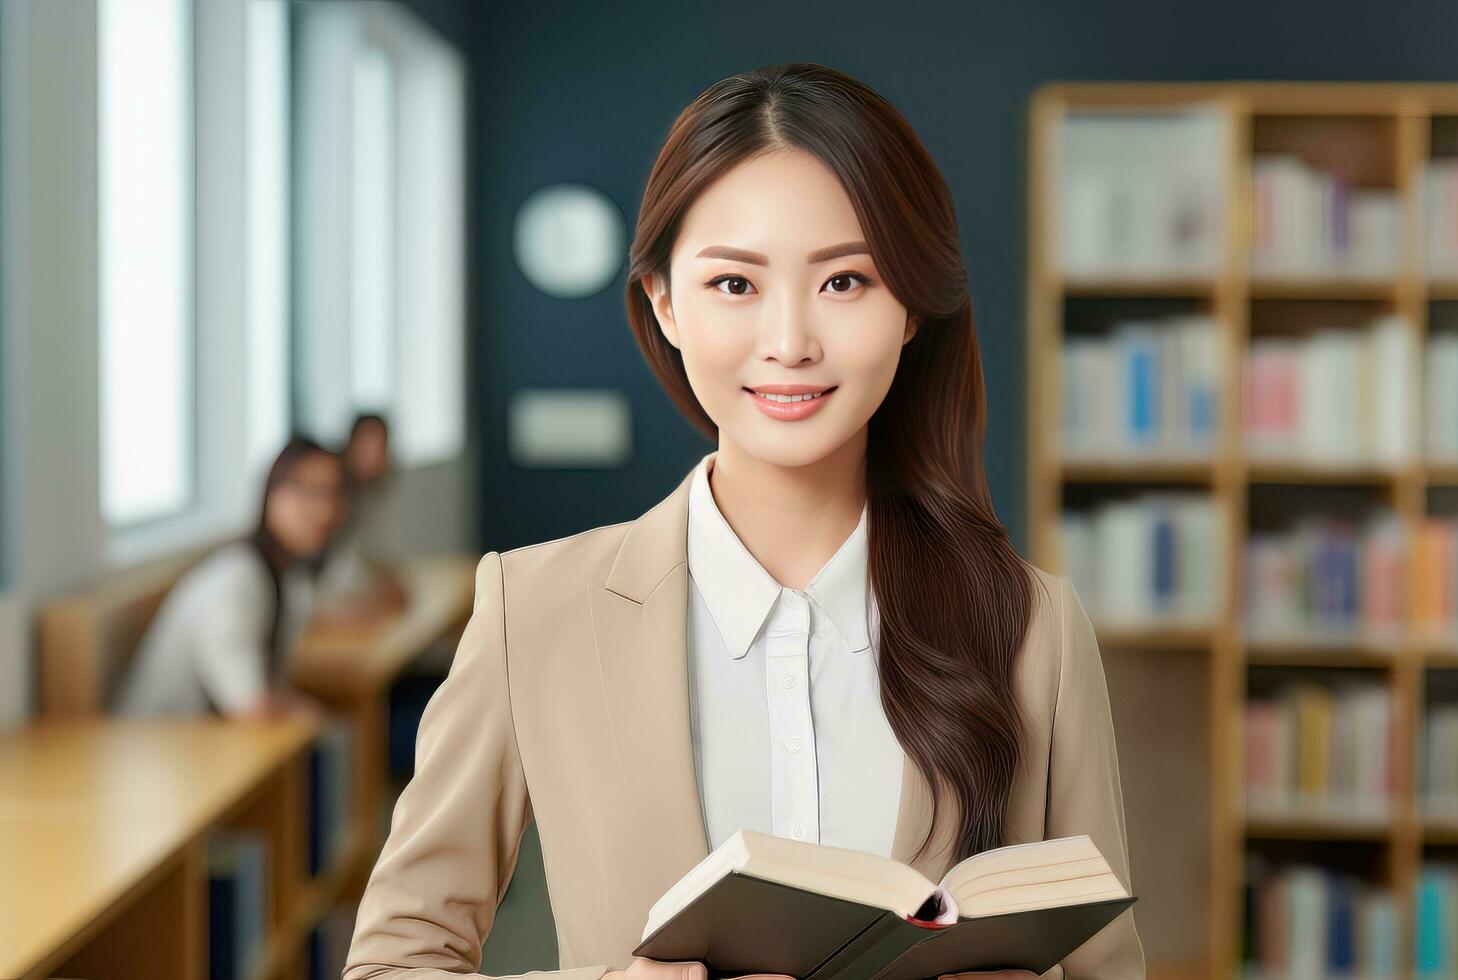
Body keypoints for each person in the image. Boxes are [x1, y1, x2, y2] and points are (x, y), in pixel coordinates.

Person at [344, 63, 1146, 980]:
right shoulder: (534, 611)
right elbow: (393, 963)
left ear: (912, 310)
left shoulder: (1033, 627)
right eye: (735, 285)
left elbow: (1105, 968)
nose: (790, 340)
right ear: (664, 303)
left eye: (845, 281)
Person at [113, 436, 345, 720]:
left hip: (214, 744)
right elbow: (252, 708)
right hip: (162, 748)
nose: (325, 510)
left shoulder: (288, 580)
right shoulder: (234, 582)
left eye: (333, 493)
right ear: (270, 492)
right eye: (308, 491)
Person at [312, 412, 410, 622]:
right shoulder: (337, 498)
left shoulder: (365, 495)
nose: (375, 457)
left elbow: (367, 552)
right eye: (367, 447)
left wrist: (385, 577)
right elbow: (325, 580)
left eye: (381, 448)